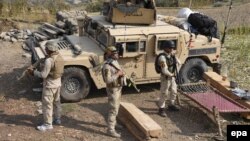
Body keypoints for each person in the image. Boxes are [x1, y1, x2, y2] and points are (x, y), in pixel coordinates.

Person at [28, 41, 63, 131]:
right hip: (58, 83)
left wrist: (33, 72)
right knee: (56, 102)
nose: (45, 49)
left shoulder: (49, 60)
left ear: (50, 49)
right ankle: (57, 119)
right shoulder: (59, 57)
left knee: (47, 105)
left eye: (47, 48)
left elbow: (43, 75)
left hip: (50, 85)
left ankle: (48, 124)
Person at [102, 46, 125, 138]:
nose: (117, 54)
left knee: (117, 107)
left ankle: (114, 124)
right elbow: (107, 80)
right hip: (113, 90)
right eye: (115, 53)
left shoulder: (115, 62)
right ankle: (110, 130)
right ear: (110, 55)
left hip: (118, 88)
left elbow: (119, 71)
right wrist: (117, 74)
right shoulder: (107, 66)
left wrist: (122, 74)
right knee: (113, 109)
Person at [157, 40, 181, 117]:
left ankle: (171, 104)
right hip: (166, 77)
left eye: (172, 48)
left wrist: (176, 73)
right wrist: (171, 74)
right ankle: (161, 109)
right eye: (170, 48)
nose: (171, 49)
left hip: (172, 77)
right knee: (164, 93)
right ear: (165, 48)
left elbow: (179, 63)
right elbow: (164, 70)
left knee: (174, 91)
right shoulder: (162, 57)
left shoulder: (172, 56)